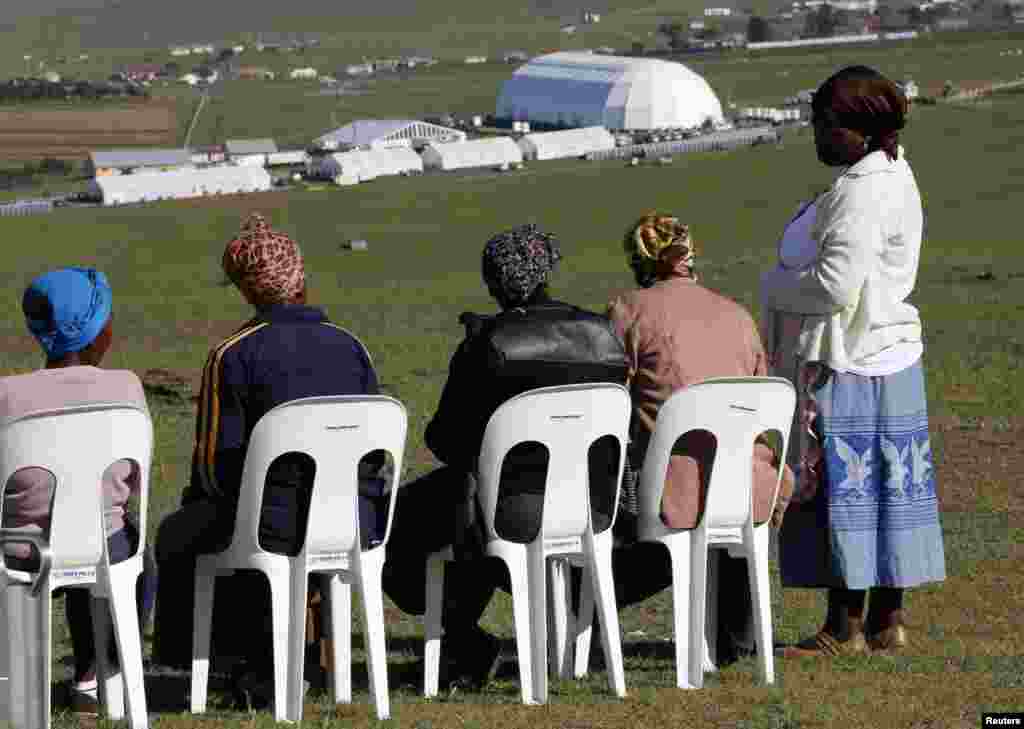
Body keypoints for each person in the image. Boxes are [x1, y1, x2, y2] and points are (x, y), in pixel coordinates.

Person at [152, 213, 386, 703]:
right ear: (301, 277)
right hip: (352, 520)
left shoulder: (231, 354)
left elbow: (215, 472)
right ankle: (306, 659)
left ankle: (213, 662)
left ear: (245, 290)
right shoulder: (352, 347)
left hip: (270, 527)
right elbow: (374, 457)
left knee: (182, 531)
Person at [382, 223, 629, 688]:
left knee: (424, 510)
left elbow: (445, 441)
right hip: (592, 508)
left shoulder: (486, 342)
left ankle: (461, 642)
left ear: (494, 283)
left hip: (506, 512)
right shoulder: (603, 335)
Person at [760, 66, 946, 658]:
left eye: (825, 124)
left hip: (850, 358)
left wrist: (774, 287)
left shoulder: (861, 190)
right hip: (893, 354)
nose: (816, 134)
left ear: (859, 131)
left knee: (846, 492)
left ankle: (843, 627)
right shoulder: (895, 172)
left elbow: (836, 286)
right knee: (892, 490)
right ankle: (888, 621)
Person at [606, 213, 795, 666]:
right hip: (751, 490)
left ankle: (587, 608)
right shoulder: (737, 315)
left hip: (672, 494)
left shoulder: (628, 310)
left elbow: (612, 403)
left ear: (638, 260)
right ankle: (736, 639)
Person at [0, 267, 156, 716]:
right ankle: (98, 673)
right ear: (96, 332)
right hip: (107, 545)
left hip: (18, 551)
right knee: (136, 554)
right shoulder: (126, 388)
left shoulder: (8, 395)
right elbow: (134, 482)